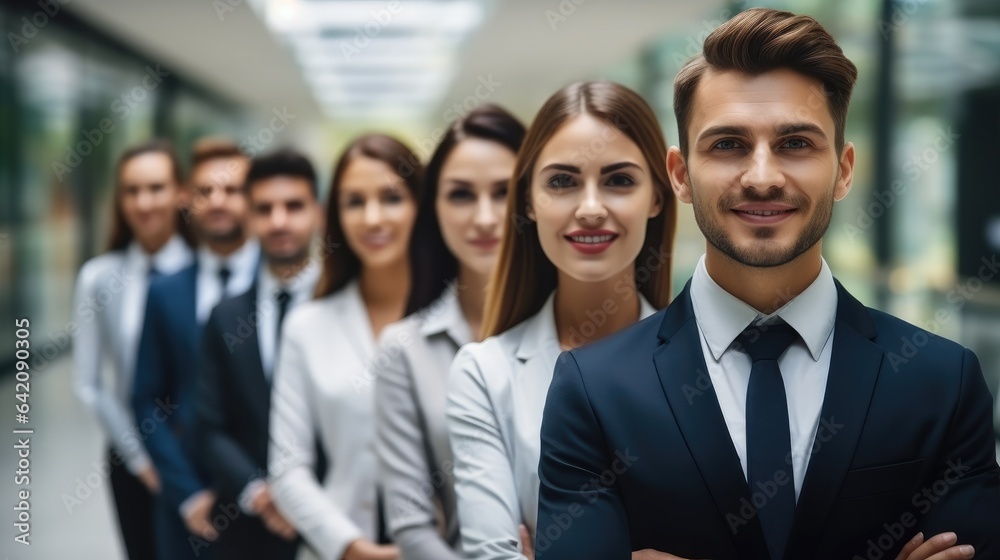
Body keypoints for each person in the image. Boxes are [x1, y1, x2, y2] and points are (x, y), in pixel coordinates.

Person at [535, 8, 1000, 560]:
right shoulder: (592, 390)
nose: (762, 177)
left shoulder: (942, 381)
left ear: (844, 169)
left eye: (796, 143)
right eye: (728, 144)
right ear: (681, 174)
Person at [446, 81, 677, 560]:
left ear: (657, 196)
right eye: (561, 181)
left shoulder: (711, 358)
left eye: (619, 180)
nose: (590, 208)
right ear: (528, 201)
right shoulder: (485, 374)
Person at [268, 134, 434, 560]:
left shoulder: (457, 318)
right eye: (355, 202)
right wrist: (351, 548)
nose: (373, 218)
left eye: (392, 197)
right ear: (336, 217)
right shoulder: (308, 325)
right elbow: (287, 469)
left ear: (421, 205)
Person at [374, 105, 526, 560]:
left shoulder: (582, 327)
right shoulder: (403, 350)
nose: (483, 217)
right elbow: (412, 526)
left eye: (504, 192)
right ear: (434, 208)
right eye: (461, 195)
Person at [132, 139, 257, 560]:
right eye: (205, 191)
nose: (217, 201)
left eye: (232, 190)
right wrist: (185, 492)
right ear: (187, 200)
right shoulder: (164, 292)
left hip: (268, 498)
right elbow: (145, 397)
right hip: (187, 502)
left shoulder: (284, 291)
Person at [196, 149, 323, 560]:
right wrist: (261, 496)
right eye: (265, 209)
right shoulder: (224, 315)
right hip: (249, 526)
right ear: (249, 219)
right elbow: (209, 427)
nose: (279, 221)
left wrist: (307, 501)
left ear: (318, 214)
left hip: (339, 514)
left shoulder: (347, 305)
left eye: (294, 206)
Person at [72, 140, 195, 560]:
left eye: (157, 187)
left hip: (197, 455)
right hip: (132, 457)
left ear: (181, 193)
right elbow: (90, 384)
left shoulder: (207, 271)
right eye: (132, 190)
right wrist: (142, 461)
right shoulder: (99, 278)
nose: (144, 202)